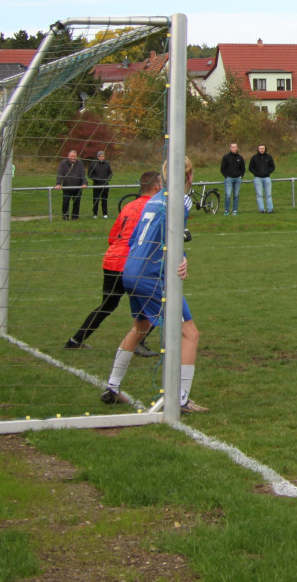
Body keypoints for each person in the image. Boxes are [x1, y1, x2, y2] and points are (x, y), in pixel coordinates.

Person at [100, 157, 207, 413]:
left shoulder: (153, 200)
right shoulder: (181, 200)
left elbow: (136, 238)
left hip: (131, 269)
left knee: (140, 326)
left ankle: (112, 388)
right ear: (189, 177)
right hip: (151, 274)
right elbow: (173, 234)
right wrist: (182, 258)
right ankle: (181, 399)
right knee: (190, 334)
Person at [65, 172, 162, 354]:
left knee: (106, 306)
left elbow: (112, 236)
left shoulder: (128, 206)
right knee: (158, 303)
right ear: (156, 186)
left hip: (112, 261)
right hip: (132, 263)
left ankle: (75, 340)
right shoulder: (153, 207)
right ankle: (138, 343)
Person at [55, 149, 87, 220]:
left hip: (78, 187)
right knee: (66, 202)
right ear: (68, 156)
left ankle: (75, 216)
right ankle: (65, 216)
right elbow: (60, 174)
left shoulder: (80, 163)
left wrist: (84, 183)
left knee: (77, 202)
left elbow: (82, 174)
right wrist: (58, 183)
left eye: (75, 156)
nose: (73, 158)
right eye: (72, 156)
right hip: (67, 186)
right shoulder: (63, 163)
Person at [220, 143, 245, 215]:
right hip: (229, 179)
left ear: (237, 148)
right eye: (232, 147)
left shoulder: (240, 158)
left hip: (238, 179)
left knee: (236, 195)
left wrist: (241, 176)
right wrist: (226, 176)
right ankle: (227, 210)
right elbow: (222, 168)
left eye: (235, 147)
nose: (234, 148)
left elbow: (243, 169)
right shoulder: (226, 157)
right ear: (230, 148)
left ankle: (235, 210)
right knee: (228, 195)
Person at [249, 144, 276, 213]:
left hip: (267, 178)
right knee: (259, 195)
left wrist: (267, 172)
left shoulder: (269, 157)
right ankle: (261, 209)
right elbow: (250, 168)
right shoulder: (254, 157)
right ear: (258, 149)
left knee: (269, 194)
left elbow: (272, 167)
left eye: (263, 148)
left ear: (265, 149)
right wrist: (257, 173)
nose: (261, 150)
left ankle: (270, 209)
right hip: (257, 178)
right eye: (260, 148)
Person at [88, 151, 113, 219]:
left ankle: (105, 214)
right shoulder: (93, 164)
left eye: (103, 156)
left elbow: (110, 173)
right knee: (96, 200)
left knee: (104, 200)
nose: (102, 158)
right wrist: (97, 179)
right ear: (98, 157)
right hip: (96, 185)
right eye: (101, 156)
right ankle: (95, 214)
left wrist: (107, 179)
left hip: (105, 185)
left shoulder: (107, 164)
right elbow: (90, 174)